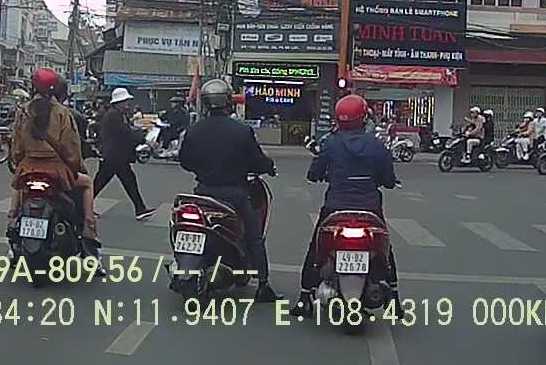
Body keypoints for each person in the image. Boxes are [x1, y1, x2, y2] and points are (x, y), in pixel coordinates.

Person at [178, 78, 280, 302]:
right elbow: (257, 160)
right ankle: (263, 285)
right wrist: (268, 166)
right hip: (235, 194)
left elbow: (184, 161)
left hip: (203, 192)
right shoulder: (242, 131)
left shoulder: (194, 130)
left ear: (205, 102)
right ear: (228, 101)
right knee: (254, 237)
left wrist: (202, 169)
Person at [296, 94, 399, 313]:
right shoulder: (376, 145)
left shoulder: (330, 143)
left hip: (336, 206)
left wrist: (323, 175)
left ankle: (304, 298)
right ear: (364, 117)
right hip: (369, 207)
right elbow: (389, 179)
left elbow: (313, 173)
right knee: (385, 250)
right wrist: (383, 181)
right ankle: (395, 300)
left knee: (316, 248)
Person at [8, 69, 99, 247]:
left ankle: (11, 218)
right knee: (87, 182)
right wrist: (77, 167)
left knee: (18, 183)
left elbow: (17, 146)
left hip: (28, 166)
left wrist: (19, 162)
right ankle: (89, 228)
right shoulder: (62, 113)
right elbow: (72, 148)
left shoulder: (23, 111)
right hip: (56, 170)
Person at [95, 88, 154, 219]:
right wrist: (143, 139)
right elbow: (125, 133)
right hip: (113, 156)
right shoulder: (113, 115)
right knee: (102, 183)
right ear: (119, 102)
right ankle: (140, 209)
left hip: (117, 156)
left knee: (126, 182)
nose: (128, 103)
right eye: (125, 100)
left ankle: (140, 209)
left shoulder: (120, 114)